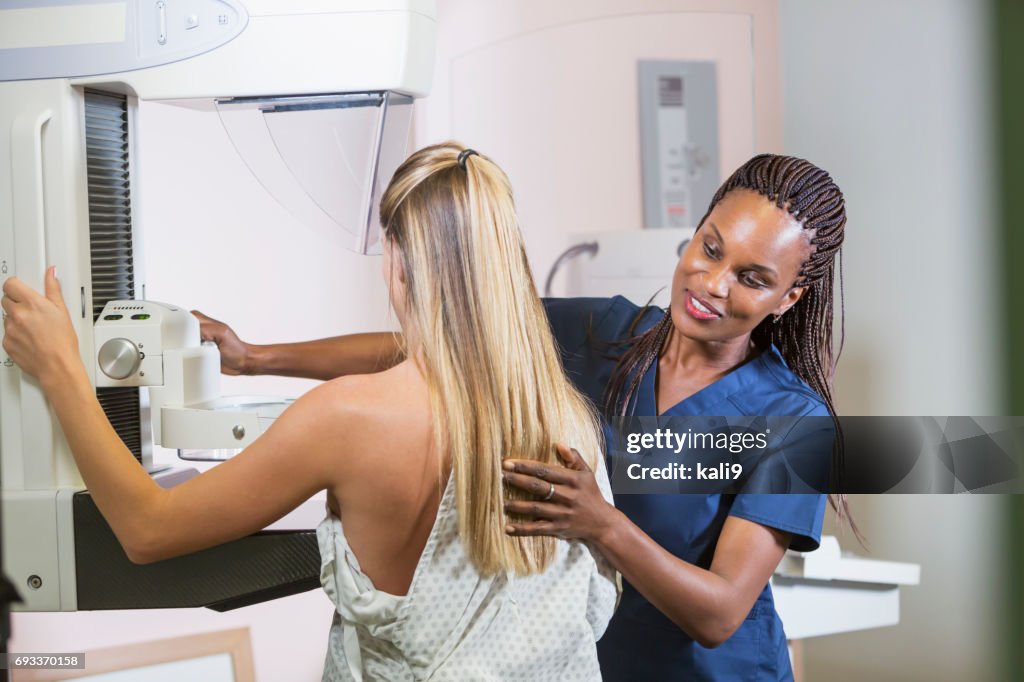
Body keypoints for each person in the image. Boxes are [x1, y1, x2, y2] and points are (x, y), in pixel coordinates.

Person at [191, 154, 849, 680]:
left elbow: (721, 612)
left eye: (752, 278)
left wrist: (603, 526)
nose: (713, 283)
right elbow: (440, 341)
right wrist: (257, 357)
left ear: (789, 296)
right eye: (710, 249)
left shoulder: (793, 419)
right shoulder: (607, 332)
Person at [1, 142, 618, 681]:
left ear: (397, 259)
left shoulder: (348, 419)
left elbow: (148, 530)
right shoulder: (565, 419)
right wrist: (254, 357)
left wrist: (61, 369)